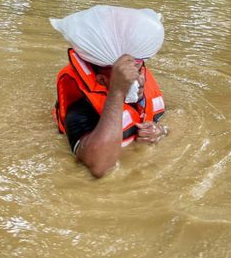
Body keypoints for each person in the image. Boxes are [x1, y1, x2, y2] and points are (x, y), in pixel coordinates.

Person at [54, 48, 167, 178]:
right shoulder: (79, 110)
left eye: (139, 71)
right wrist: (117, 91)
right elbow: (99, 168)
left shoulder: (147, 90)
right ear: (102, 80)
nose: (139, 80)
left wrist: (161, 131)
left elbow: (177, 121)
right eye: (127, 77)